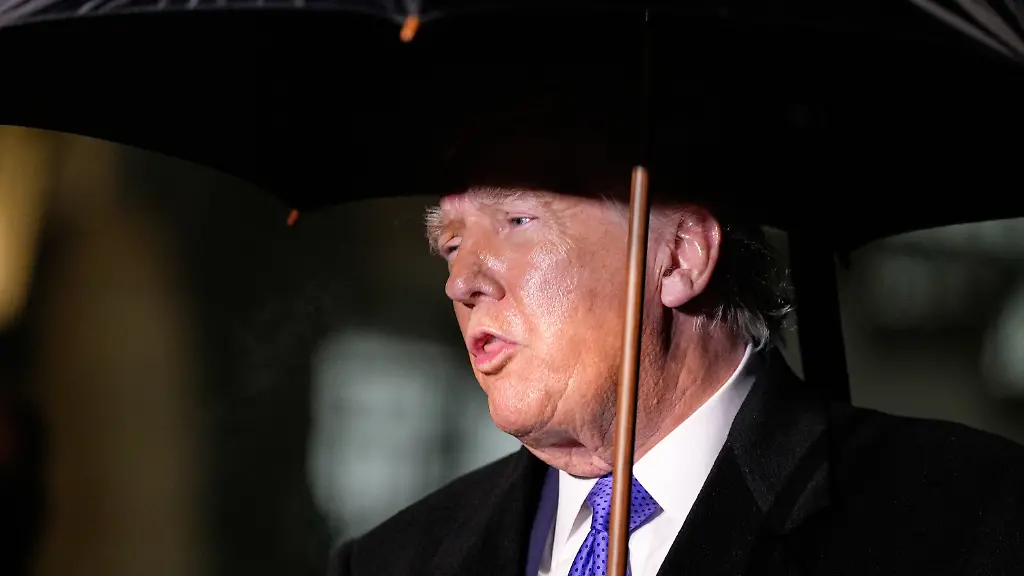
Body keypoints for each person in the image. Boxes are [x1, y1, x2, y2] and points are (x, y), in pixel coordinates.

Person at [328, 102, 1024, 576]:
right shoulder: (391, 561)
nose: (462, 281)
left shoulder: (969, 520)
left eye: (517, 221)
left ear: (681, 256)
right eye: (451, 245)